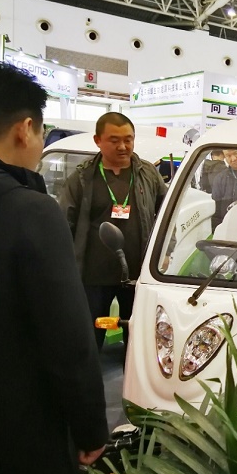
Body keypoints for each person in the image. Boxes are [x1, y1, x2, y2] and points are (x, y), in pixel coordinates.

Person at [0, 62, 108, 474]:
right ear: (25, 129)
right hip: (18, 435)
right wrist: (90, 428)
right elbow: (68, 341)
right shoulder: (31, 211)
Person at [59, 112, 167, 350]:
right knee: (87, 340)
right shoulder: (82, 178)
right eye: (114, 140)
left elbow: (167, 215)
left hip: (138, 275)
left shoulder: (148, 174)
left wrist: (166, 252)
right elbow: (65, 224)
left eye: (128, 139)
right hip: (93, 278)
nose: (123, 146)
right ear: (98, 140)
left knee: (138, 342)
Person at [211, 148, 237, 228]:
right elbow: (216, 210)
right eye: (228, 156)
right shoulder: (220, 179)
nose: (233, 159)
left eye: (235, 153)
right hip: (230, 226)